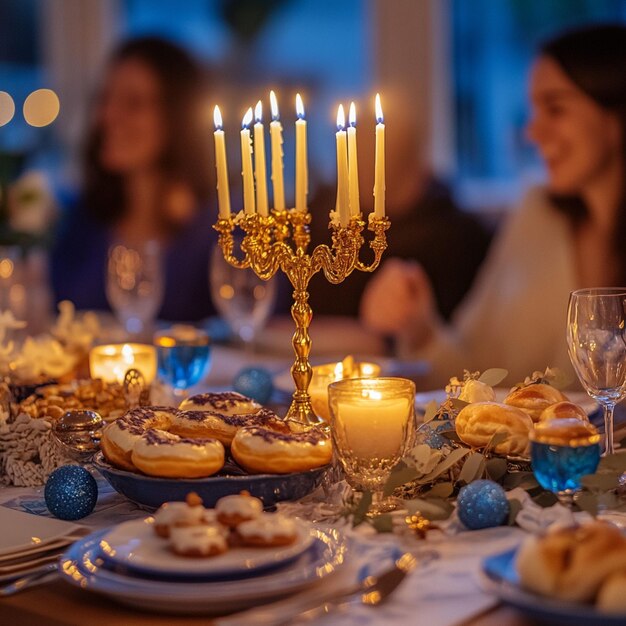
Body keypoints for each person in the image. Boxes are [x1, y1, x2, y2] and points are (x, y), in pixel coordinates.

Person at [360, 24, 626, 387]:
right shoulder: (536, 216)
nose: (533, 132)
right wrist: (420, 329)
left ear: (615, 118)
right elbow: (475, 375)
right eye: (534, 110)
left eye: (556, 108)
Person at [51, 37, 217, 323]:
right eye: (105, 98)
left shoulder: (218, 225)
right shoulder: (83, 219)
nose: (108, 115)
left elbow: (256, 327)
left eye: (133, 103)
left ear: (175, 116)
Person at [307, 95, 492, 321]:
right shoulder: (323, 220)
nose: (354, 166)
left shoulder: (459, 239)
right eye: (354, 153)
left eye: (372, 152)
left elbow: (451, 338)